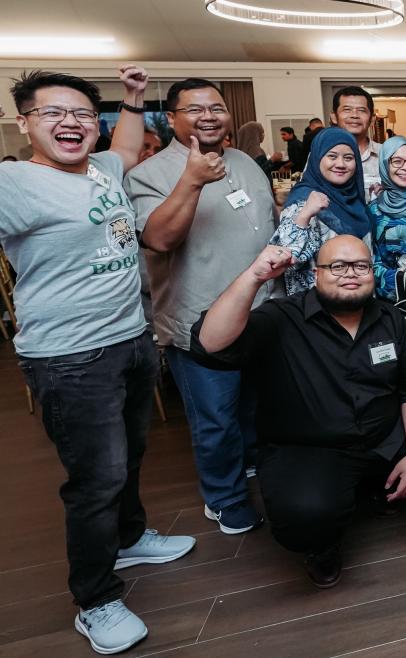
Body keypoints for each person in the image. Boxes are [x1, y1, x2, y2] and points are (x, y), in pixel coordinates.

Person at [0, 65, 196, 655]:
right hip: (68, 357)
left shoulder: (105, 167)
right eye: (52, 113)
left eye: (82, 114)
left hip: (129, 340)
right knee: (95, 480)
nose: (70, 123)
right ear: (24, 122)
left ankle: (131, 536)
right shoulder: (13, 183)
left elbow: (127, 144)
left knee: (131, 454)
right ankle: (95, 599)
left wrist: (132, 98)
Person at [192, 237, 406, 589]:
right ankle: (322, 545)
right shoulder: (281, 318)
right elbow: (211, 343)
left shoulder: (390, 317)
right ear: (316, 273)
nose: (350, 274)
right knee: (305, 518)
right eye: (337, 266)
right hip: (311, 448)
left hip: (383, 436)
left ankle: (375, 489)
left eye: (360, 266)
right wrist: (253, 277)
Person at [125, 77, 280, 537]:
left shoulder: (248, 164)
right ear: (171, 117)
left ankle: (249, 466)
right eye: (195, 109)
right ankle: (224, 497)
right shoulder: (147, 174)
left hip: (260, 312)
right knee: (215, 418)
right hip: (197, 319)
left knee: (253, 405)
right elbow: (159, 238)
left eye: (216, 107)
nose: (209, 115)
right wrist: (192, 180)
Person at [270, 127, 371, 296]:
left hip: (359, 301)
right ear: (317, 158)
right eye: (332, 156)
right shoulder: (303, 199)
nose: (340, 164)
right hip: (316, 307)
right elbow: (284, 260)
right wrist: (305, 215)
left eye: (348, 158)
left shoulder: (357, 199)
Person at [370, 136, 406, 303]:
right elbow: (369, 259)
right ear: (385, 165)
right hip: (390, 304)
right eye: (397, 161)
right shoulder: (373, 210)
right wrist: (395, 278)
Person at [330, 86, 380, 191]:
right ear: (334, 117)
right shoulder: (322, 154)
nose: (354, 115)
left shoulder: (387, 154)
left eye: (362, 110)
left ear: (372, 119)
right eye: (347, 109)